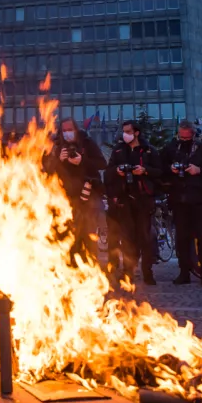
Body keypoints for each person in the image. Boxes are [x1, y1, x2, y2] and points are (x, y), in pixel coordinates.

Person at [104, 120, 161, 287]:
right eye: (124, 131)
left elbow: (160, 172)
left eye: (128, 131)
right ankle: (128, 272)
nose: (125, 134)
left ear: (136, 132)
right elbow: (107, 174)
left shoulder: (149, 151)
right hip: (125, 199)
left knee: (145, 237)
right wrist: (117, 171)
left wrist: (145, 171)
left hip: (143, 199)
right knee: (128, 238)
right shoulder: (119, 150)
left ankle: (147, 273)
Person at [162, 120, 202, 286]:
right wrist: (170, 168)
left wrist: (199, 170)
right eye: (182, 137)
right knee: (182, 239)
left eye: (187, 137)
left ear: (194, 135)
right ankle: (184, 272)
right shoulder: (171, 148)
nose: (184, 140)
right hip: (179, 200)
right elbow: (160, 167)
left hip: (201, 200)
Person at [46, 117, 108, 265]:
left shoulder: (87, 143)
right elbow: (47, 171)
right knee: (69, 236)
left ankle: (91, 269)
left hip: (88, 197)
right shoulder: (56, 146)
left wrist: (83, 161)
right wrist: (58, 160)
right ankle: (71, 269)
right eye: (64, 130)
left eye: (70, 130)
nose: (67, 133)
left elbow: (102, 164)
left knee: (89, 234)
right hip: (66, 199)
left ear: (76, 129)